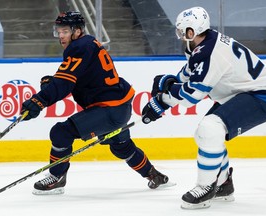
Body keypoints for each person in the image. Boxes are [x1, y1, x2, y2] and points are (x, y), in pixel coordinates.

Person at [21, 11, 169, 195]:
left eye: (65, 31)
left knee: (60, 133)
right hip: (119, 107)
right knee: (121, 146)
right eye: (58, 31)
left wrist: (39, 101)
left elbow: (65, 82)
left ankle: (57, 177)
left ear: (77, 31)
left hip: (109, 109)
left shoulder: (79, 47)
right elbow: (76, 79)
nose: (60, 36)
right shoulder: (88, 43)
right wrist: (52, 85)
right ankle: (154, 175)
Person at [142, 6, 266, 209]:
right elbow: (187, 75)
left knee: (209, 129)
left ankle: (206, 187)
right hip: (242, 92)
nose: (179, 34)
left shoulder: (209, 51)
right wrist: (162, 101)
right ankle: (223, 184)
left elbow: (192, 95)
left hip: (262, 95)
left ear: (191, 31)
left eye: (182, 30)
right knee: (206, 134)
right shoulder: (203, 44)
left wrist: (167, 91)